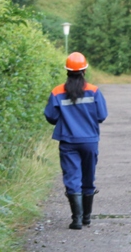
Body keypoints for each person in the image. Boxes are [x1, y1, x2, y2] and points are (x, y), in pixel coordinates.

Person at [44, 52, 108, 230]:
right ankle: (87, 217)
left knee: (72, 177)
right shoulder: (94, 91)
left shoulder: (57, 92)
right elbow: (102, 115)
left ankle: (77, 219)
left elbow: (51, 116)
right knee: (88, 176)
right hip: (89, 141)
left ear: (67, 71)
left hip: (68, 141)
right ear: (84, 70)